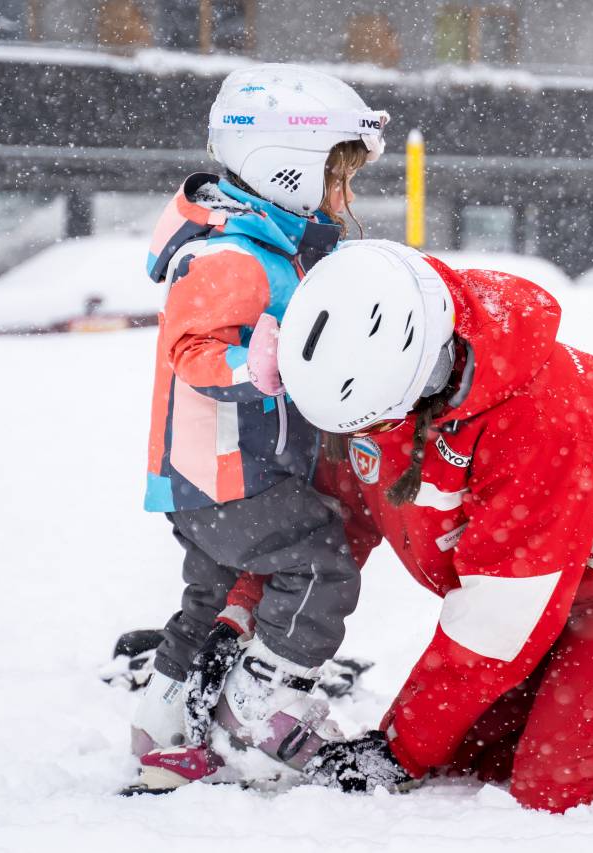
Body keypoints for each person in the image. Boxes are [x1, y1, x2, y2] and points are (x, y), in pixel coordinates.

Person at [277, 240, 593, 812]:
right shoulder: (376, 385)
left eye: (376, 423)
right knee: (470, 752)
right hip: (550, 595)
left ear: (420, 378)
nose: (365, 438)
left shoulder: (541, 416)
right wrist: (249, 629)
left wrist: (399, 749)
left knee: (559, 788)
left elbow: (499, 621)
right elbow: (330, 525)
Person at [129, 65, 390, 782]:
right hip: (225, 473)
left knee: (211, 596)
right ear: (287, 168)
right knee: (320, 562)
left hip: (216, 476)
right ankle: (261, 703)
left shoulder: (269, 245)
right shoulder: (229, 255)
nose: (345, 197)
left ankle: (161, 731)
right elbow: (191, 352)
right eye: (337, 178)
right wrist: (262, 365)